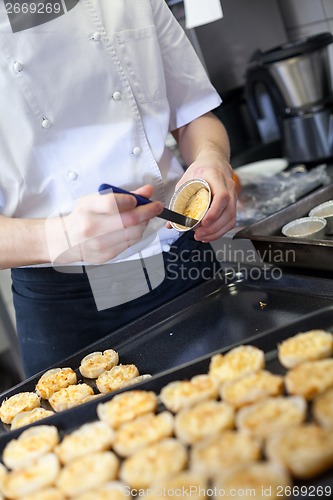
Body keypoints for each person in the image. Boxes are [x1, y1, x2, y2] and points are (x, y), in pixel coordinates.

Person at [0, 0, 237, 377]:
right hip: (64, 305)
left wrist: (211, 159)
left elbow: (193, 114)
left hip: (182, 258)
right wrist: (55, 237)